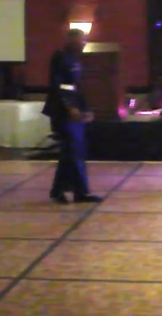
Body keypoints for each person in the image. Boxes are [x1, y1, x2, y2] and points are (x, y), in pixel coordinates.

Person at [42, 29, 102, 204]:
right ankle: (80, 192)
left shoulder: (76, 60)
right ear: (70, 40)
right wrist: (70, 107)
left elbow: (77, 87)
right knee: (73, 152)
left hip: (75, 112)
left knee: (72, 153)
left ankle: (61, 190)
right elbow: (59, 85)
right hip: (63, 113)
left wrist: (86, 108)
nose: (83, 43)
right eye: (80, 40)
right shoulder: (60, 58)